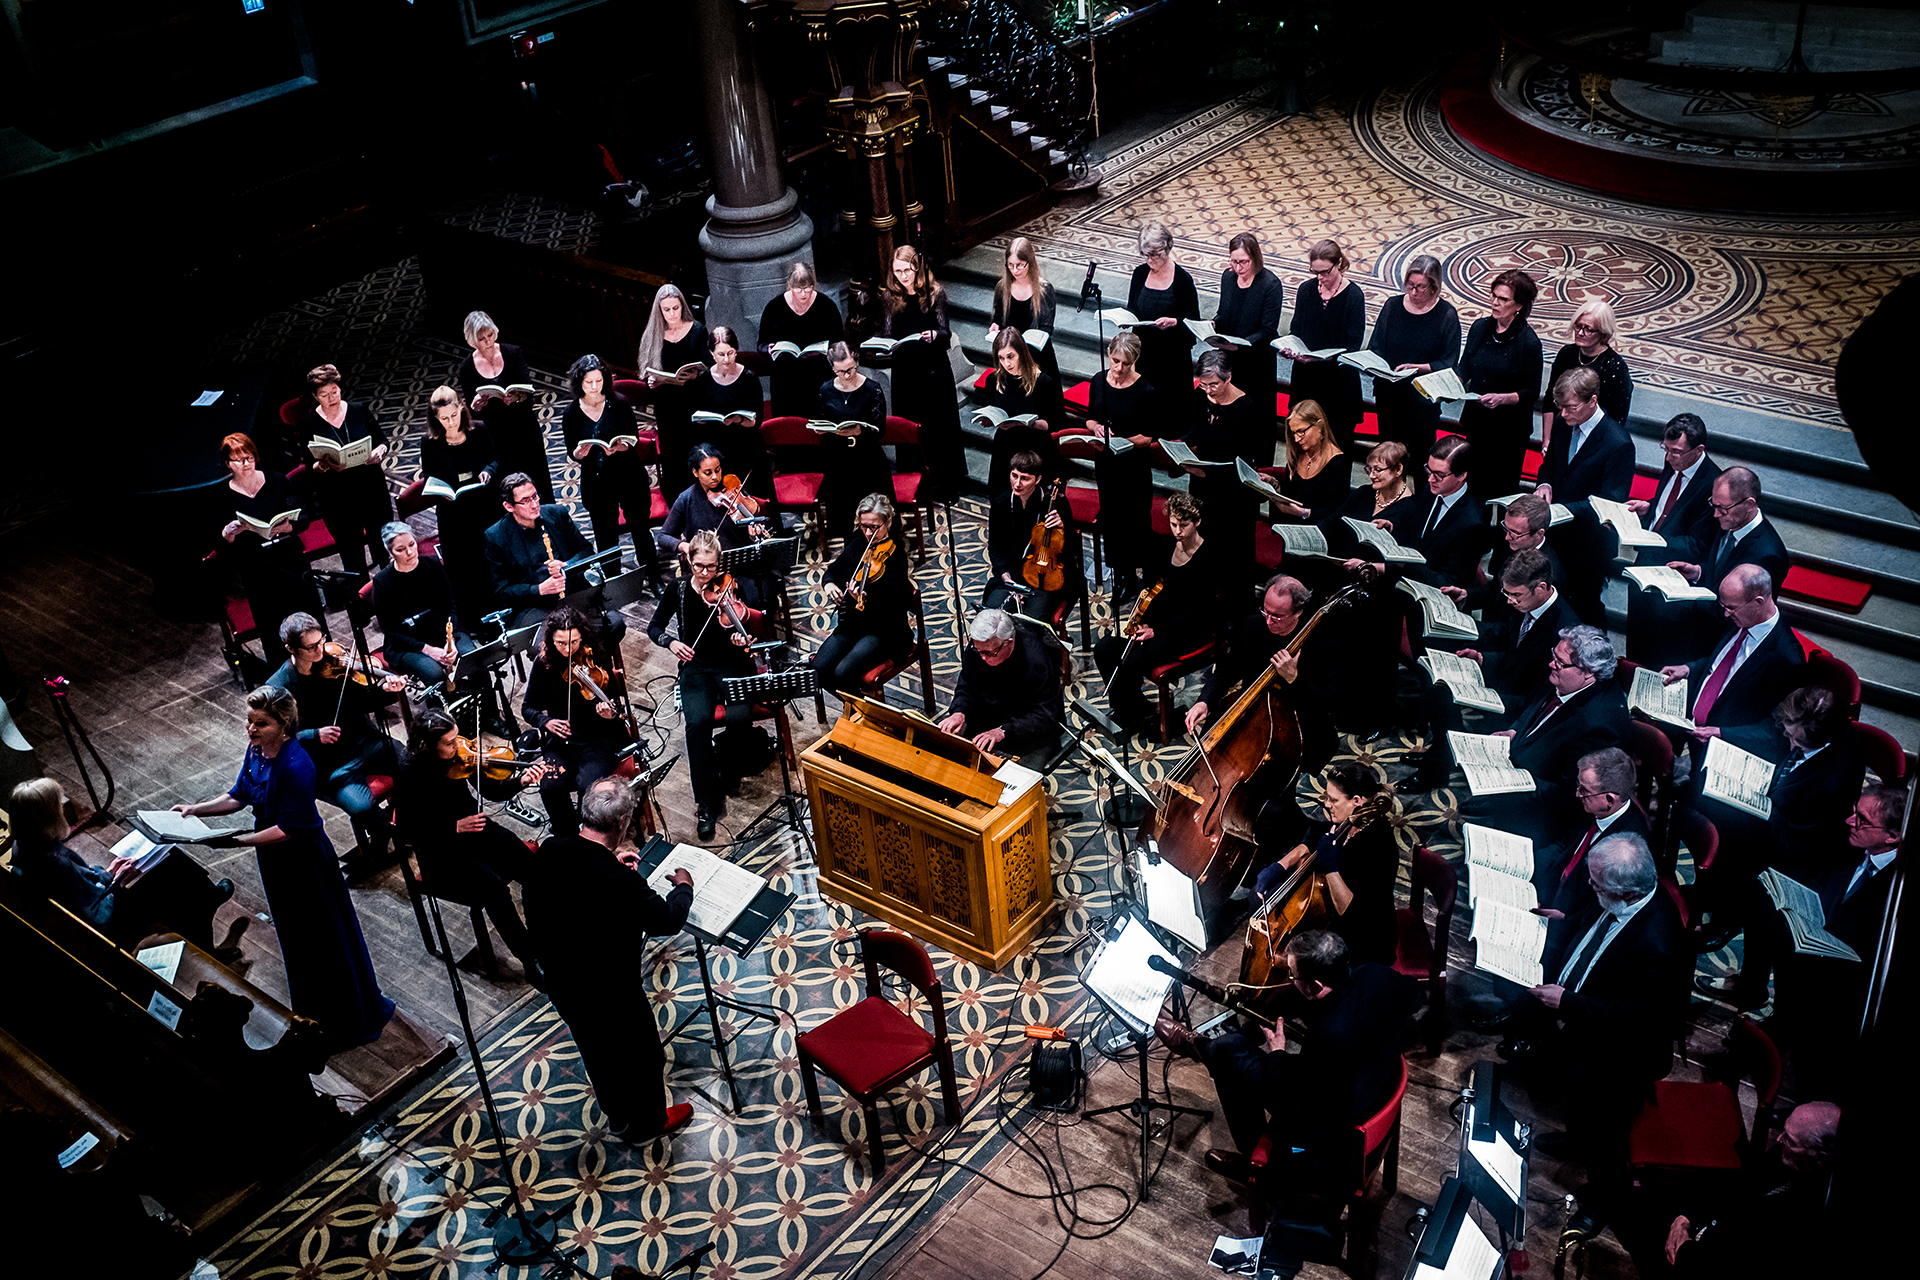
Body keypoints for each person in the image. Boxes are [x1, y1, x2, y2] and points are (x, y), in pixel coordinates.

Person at [171, 685, 394, 1046]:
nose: (251, 730)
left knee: (323, 940)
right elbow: (238, 794)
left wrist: (237, 840)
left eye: (260, 723)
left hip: (305, 864)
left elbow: (294, 829)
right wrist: (194, 810)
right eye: (249, 721)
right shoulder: (256, 752)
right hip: (274, 858)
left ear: (285, 723)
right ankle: (313, 1013)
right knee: (297, 938)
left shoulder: (297, 764)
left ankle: (344, 1019)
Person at [1500, 833, 1690, 1239]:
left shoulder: (1661, 943)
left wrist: (1566, 1003)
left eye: (1597, 885)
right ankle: (1577, 1140)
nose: (1590, 887)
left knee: (1606, 1136)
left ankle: (1604, 1200)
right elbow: (1598, 929)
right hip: (1586, 1034)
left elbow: (1637, 1017)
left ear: (1627, 891)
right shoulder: (1617, 898)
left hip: (1619, 1056)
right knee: (1578, 1104)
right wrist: (1565, 920)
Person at [1154, 930, 1419, 1191]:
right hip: (1375, 1083)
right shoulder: (1376, 973)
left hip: (1334, 1133)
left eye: (1293, 975)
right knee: (1231, 1050)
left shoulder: (1327, 1036)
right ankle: (1205, 1048)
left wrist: (1278, 1051)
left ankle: (1257, 1164)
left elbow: (1294, 1101)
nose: (1290, 979)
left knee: (1228, 1052)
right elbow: (1415, 997)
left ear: (1315, 985)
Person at [523, 778, 695, 1144]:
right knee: (643, 1056)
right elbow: (666, 919)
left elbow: (578, 885)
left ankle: (618, 1118)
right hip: (610, 988)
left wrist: (610, 863)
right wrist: (684, 886)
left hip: (562, 980)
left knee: (598, 1053)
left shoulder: (553, 849)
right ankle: (648, 1126)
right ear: (622, 822)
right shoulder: (617, 880)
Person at [1707, 785, 1899, 1097]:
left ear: (1892, 837)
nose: (1850, 821)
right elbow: (1819, 879)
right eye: (1854, 810)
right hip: (1809, 952)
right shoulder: (1851, 843)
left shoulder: (1896, 889)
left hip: (1845, 985)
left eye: (1862, 820)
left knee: (1803, 1042)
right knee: (1762, 897)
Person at [1185, 574, 1339, 852]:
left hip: (1300, 729)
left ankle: (1287, 844)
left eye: (1278, 616)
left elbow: (1327, 702)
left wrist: (1295, 679)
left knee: (1272, 800)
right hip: (1251, 716)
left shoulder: (1322, 642)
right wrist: (1204, 701)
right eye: (1266, 612)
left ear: (1300, 611)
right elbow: (1228, 668)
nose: (1269, 621)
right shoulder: (1253, 626)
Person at [397, 708, 549, 980]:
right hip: (441, 850)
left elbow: (491, 790)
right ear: (427, 746)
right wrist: (453, 827)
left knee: (527, 863)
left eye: (457, 738)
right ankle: (530, 958)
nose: (458, 746)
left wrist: (521, 781)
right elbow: (408, 830)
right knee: (493, 888)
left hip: (476, 831)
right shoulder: (410, 773)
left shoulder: (460, 756)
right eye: (449, 743)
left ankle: (550, 930)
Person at [8, 777, 235, 955]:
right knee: (172, 870)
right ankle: (206, 918)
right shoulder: (54, 862)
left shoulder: (25, 844)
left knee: (169, 863)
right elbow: (95, 918)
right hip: (109, 926)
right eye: (57, 805)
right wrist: (117, 883)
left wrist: (107, 874)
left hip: (95, 901)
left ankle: (206, 897)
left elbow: (83, 884)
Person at [645, 531, 759, 841]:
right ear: (689, 562)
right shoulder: (679, 589)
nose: (706, 574)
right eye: (699, 566)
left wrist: (739, 638)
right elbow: (653, 627)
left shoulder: (732, 586)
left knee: (739, 717)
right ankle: (706, 804)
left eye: (711, 567)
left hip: (732, 664)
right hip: (696, 668)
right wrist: (671, 643)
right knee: (696, 724)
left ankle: (727, 767)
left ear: (719, 562)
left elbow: (746, 624)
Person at [266, 612, 406, 855]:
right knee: (362, 808)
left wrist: (385, 690)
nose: (320, 650)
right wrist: (313, 734)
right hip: (331, 765)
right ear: (290, 648)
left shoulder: (334, 663)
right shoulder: (278, 689)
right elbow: (277, 741)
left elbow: (364, 700)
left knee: (411, 763)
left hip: (364, 741)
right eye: (310, 647)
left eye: (321, 641)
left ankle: (406, 824)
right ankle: (387, 831)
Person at [1658, 1101, 1840, 1280]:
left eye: (1789, 1140)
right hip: (1709, 1229)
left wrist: (1684, 1251)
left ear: (1820, 1157)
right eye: (1784, 1131)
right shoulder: (1786, 1153)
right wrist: (1685, 1218)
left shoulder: (1806, 1215)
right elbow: (1740, 1183)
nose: (1779, 1139)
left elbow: (1743, 1259)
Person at [1094, 492, 1222, 734]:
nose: (1178, 531)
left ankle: (1131, 713)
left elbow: (1198, 611)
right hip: (1158, 626)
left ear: (1197, 522)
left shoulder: (1208, 557)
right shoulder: (1166, 547)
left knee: (1129, 661)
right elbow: (1149, 582)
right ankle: (1136, 710)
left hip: (1187, 632)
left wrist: (1156, 630)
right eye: (1174, 524)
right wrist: (1141, 617)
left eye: (1184, 525)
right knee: (1104, 649)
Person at [1655, 564, 1806, 770]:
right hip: (1689, 726)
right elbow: (1723, 663)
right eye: (1724, 606)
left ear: (1758, 602)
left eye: (1731, 608)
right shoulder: (1741, 617)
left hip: (1725, 751)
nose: (1725, 614)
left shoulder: (1787, 659)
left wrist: (1720, 733)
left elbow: (1778, 729)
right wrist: (1690, 668)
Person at [1257, 765, 1400, 966]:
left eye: (1333, 800)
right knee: (1258, 897)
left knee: (1298, 961)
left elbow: (1350, 912)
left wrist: (1331, 867)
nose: (1327, 805)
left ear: (1356, 801)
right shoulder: (1354, 820)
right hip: (1339, 925)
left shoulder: (1378, 845)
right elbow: (1317, 834)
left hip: (1364, 940)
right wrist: (1281, 865)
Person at [212, 432, 320, 672]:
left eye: (249, 457)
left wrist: (288, 525)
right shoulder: (223, 497)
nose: (246, 463)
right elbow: (220, 545)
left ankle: (321, 666)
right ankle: (288, 676)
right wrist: (228, 534)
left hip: (290, 560)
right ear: (228, 463)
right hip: (258, 569)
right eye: (238, 460)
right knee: (273, 628)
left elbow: (303, 514)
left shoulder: (277, 480)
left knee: (309, 619)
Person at [1658, 467, 1791, 658]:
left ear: (1750, 504)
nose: (1715, 514)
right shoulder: (1730, 521)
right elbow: (1722, 570)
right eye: (1714, 504)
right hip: (1697, 634)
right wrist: (1698, 572)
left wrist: (1685, 600)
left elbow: (1744, 614)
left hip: (1718, 645)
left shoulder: (1768, 555)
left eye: (1723, 508)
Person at [522, 605, 628, 840]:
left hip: (599, 738)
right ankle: (566, 834)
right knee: (549, 785)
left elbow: (615, 703)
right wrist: (545, 721)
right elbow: (528, 707)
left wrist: (609, 712)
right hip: (563, 740)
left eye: (573, 642)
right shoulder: (544, 664)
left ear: (583, 637)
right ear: (551, 640)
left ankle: (588, 835)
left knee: (589, 788)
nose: (568, 650)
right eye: (560, 643)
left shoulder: (597, 656)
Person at [1623, 414, 1722, 665]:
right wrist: (1649, 508)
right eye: (1665, 449)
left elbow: (1696, 545)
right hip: (1644, 566)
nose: (1668, 457)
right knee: (1636, 638)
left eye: (1675, 451)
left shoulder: (1712, 485)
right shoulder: (1674, 463)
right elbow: (1669, 506)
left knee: (1659, 652)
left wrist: (1651, 538)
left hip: (1672, 578)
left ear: (1699, 450)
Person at [1180, 349, 1270, 589]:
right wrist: (1180, 445)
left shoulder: (1247, 408)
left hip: (1232, 493)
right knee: (1204, 544)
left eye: (1214, 384)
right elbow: (1197, 431)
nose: (1208, 390)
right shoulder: (1199, 397)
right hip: (1201, 486)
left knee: (1231, 554)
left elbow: (1245, 461)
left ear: (1228, 377)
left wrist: (1207, 473)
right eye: (1204, 384)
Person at [562, 353, 658, 577]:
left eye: (599, 380)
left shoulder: (619, 402)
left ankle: (653, 577)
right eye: (589, 382)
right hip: (597, 481)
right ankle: (615, 583)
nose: (595, 387)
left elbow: (632, 438)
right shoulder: (571, 413)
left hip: (628, 475)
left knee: (641, 530)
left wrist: (618, 446)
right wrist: (579, 452)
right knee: (605, 536)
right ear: (580, 383)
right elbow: (572, 452)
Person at [879, 245, 964, 500]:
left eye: (907, 270)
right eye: (897, 272)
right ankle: (918, 487)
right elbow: (887, 333)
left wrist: (934, 335)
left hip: (934, 371)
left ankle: (945, 484)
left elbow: (946, 333)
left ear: (917, 267)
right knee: (912, 429)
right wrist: (885, 344)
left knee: (940, 428)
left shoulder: (934, 293)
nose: (903, 276)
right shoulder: (889, 297)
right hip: (906, 374)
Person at [1082, 331, 1159, 604]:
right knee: (1112, 521)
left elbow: (1147, 437)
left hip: (1133, 469)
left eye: (1125, 363)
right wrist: (1097, 428)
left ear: (1135, 360)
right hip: (1107, 465)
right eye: (1115, 360)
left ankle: (1142, 577)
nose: (1119, 368)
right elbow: (1090, 419)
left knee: (1134, 522)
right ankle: (1122, 576)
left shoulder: (1145, 390)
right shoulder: (1098, 381)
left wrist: (1121, 440)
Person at [298, 364, 395, 576]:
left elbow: (382, 440)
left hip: (370, 486)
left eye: (335, 391)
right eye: (324, 394)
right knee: (352, 554)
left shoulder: (359, 410)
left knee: (383, 544)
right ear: (315, 396)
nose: (331, 398)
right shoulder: (308, 423)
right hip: (337, 495)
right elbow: (308, 464)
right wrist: (323, 465)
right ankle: (359, 597)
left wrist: (379, 451)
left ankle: (391, 586)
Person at [1365, 255, 1460, 471]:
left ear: (1434, 286)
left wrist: (1417, 368)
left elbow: (1449, 362)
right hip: (1390, 395)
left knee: (1419, 462)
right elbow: (1377, 345)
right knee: (1387, 458)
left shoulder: (1446, 315)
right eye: (1410, 285)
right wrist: (1376, 363)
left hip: (1422, 401)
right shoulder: (1393, 306)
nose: (1414, 292)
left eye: (1421, 287)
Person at [813, 493, 914, 695]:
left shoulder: (896, 557)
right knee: (817, 670)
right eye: (863, 526)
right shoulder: (858, 545)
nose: (868, 533)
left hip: (883, 632)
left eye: (874, 527)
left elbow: (894, 609)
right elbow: (833, 570)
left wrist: (862, 600)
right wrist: (830, 584)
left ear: (888, 522)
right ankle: (857, 709)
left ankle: (868, 715)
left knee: (842, 674)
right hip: (852, 625)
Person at [1455, 269, 1543, 500]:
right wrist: (1453, 381)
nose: (1494, 303)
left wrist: (1502, 398)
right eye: (1493, 296)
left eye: (1502, 299)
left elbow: (1532, 391)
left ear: (1519, 306)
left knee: (1496, 492)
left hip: (1507, 433)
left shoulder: (1528, 342)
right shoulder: (1480, 327)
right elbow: (1465, 365)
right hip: (1478, 423)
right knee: (1470, 486)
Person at [419, 385, 501, 629]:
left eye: (454, 415)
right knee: (462, 570)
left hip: (482, 508)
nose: (450, 422)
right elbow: (428, 474)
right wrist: (439, 489)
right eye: (444, 418)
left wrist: (488, 471)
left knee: (488, 562)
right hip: (452, 514)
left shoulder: (479, 430)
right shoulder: (430, 442)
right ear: (436, 418)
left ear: (461, 410)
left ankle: (496, 613)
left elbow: (494, 459)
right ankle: (471, 620)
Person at [938, 608, 1066, 761]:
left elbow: (1045, 715)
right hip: (985, 722)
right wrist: (959, 711)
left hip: (1027, 734)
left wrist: (1004, 730)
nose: (983, 658)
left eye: (989, 653)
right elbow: (967, 683)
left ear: (1009, 642)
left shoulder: (1038, 661)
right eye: (979, 651)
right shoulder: (978, 648)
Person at [483, 473, 601, 633]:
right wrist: (539, 589)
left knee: (612, 625)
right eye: (525, 501)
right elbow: (502, 590)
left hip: (572, 592)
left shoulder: (557, 514)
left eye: (535, 496)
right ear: (509, 506)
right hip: (533, 606)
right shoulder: (496, 536)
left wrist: (567, 566)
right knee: (550, 644)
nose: (534, 504)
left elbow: (586, 550)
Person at [457, 310, 550, 502]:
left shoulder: (512, 352)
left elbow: (529, 392)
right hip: (496, 435)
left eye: (490, 335)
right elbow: (471, 411)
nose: (488, 341)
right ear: (473, 340)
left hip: (524, 428)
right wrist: (475, 405)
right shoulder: (467, 368)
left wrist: (517, 397)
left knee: (536, 477)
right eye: (482, 339)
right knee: (508, 484)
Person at [982, 452, 1080, 622]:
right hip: (1012, 575)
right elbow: (995, 549)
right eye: (1014, 476)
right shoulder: (1000, 504)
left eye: (1025, 478)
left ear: (1038, 479)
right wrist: (1006, 577)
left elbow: (1072, 549)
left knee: (1030, 623)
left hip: (1046, 578)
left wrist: (1062, 528)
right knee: (993, 619)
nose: (1017, 483)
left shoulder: (1056, 503)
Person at [1286, 239, 1366, 443]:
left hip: (1337, 385)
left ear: (1338, 264)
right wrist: (1291, 349)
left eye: (1325, 272)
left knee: (1336, 446)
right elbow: (1296, 329)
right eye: (1315, 272)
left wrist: (1323, 359)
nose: (1320, 278)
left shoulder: (1354, 296)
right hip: (1306, 380)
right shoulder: (1306, 290)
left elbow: (1353, 345)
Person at [815, 341, 893, 540]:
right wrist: (823, 429)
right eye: (841, 371)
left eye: (850, 369)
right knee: (844, 514)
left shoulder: (872, 389)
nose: (847, 375)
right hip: (838, 459)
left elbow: (880, 429)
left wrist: (860, 430)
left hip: (867, 458)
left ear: (856, 362)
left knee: (873, 513)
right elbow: (824, 419)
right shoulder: (826, 390)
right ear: (833, 368)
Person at [1126, 222, 1200, 422]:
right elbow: (1133, 306)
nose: (1150, 260)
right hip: (1146, 356)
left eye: (1155, 254)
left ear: (1167, 247)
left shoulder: (1183, 280)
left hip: (1173, 360)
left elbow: (1195, 323)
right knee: (1149, 412)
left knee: (1172, 415)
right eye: (1146, 255)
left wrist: (1175, 322)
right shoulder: (1140, 273)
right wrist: (1126, 319)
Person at [639, 284, 711, 488]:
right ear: (659, 311)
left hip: (693, 399)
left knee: (696, 450)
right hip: (667, 404)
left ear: (682, 307)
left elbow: (708, 365)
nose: (672, 314)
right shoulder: (652, 334)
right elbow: (645, 370)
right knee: (673, 454)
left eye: (675, 308)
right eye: (667, 310)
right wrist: (651, 381)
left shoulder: (697, 330)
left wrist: (697, 373)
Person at [370, 522, 458, 688]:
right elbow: (391, 631)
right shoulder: (382, 582)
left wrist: (450, 639)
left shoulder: (432, 565)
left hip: (440, 632)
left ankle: (487, 710)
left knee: (472, 656)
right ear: (390, 553)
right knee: (434, 673)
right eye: (401, 549)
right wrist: (427, 649)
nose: (410, 553)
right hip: (406, 645)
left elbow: (451, 605)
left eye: (412, 544)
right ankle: (439, 712)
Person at [1212, 231, 1284, 431]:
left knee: (1256, 419)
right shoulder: (1228, 277)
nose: (1238, 267)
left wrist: (1241, 344)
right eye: (1234, 261)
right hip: (1230, 361)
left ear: (1255, 258)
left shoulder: (1270, 284)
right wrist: (1214, 324)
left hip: (1257, 363)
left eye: (1243, 261)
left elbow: (1268, 330)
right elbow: (1222, 312)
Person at [981, 327, 1065, 495]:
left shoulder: (1043, 382)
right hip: (1005, 448)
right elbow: (990, 409)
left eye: (1011, 356)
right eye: (1001, 358)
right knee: (1001, 501)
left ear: (1022, 353)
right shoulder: (994, 380)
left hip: (1033, 449)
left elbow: (1055, 423)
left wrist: (1030, 423)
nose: (1007, 363)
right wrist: (989, 420)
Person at [691, 326, 769, 505]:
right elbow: (698, 416)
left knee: (754, 500)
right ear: (712, 354)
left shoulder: (749, 377)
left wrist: (738, 419)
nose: (726, 359)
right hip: (718, 448)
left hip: (746, 445)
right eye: (720, 354)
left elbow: (757, 420)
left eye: (730, 353)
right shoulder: (703, 380)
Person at [657, 442, 768, 564]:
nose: (715, 477)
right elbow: (663, 537)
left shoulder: (731, 486)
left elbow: (751, 515)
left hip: (741, 557)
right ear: (695, 472)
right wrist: (684, 546)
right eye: (708, 473)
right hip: (707, 564)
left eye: (717, 470)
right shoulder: (686, 498)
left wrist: (754, 530)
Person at [1541, 301, 1633, 448]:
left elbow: (1616, 419)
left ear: (1603, 333)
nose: (1580, 333)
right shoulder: (1567, 354)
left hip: (1592, 440)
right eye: (1578, 326)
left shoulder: (1614, 367)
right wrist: (1547, 440)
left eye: (1588, 329)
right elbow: (1550, 400)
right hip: (1562, 429)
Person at [759, 260, 843, 421]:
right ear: (790, 286)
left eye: (808, 288)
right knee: (790, 430)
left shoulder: (827, 307)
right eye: (799, 289)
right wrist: (768, 349)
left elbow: (838, 344)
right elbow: (761, 344)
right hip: (785, 383)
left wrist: (824, 352)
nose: (804, 293)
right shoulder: (774, 308)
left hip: (818, 379)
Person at [1461, 493, 1564, 613]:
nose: (1507, 537)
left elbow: (1519, 624)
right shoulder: (1515, 545)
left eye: (1514, 533)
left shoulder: (1551, 576)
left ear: (1539, 534)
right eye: (1506, 528)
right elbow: (1496, 590)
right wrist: (1466, 596)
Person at [985, 236, 1060, 389]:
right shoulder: (1002, 287)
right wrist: (995, 325)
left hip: (1037, 355)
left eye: (1020, 265)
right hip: (1011, 356)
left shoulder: (1044, 289)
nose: (1014, 270)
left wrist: (1028, 345)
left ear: (1030, 262)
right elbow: (999, 316)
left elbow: (1047, 327)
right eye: (1010, 265)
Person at [1269, 399, 1353, 526]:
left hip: (1317, 532)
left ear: (1319, 425)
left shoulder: (1338, 464)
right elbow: (1290, 494)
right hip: (1289, 527)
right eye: (1294, 433)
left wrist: (1304, 513)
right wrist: (1274, 485)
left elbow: (1336, 513)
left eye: (1301, 431)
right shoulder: (1297, 453)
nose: (1297, 439)